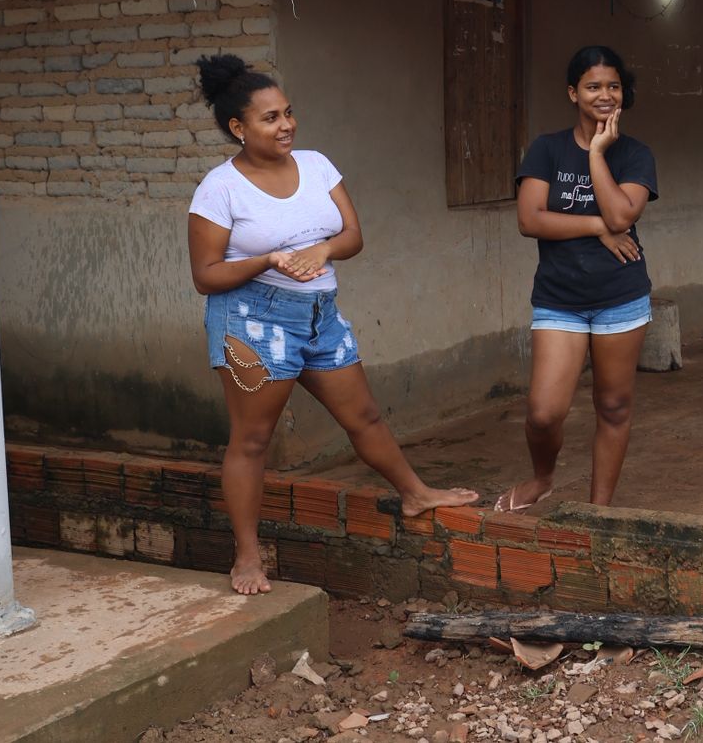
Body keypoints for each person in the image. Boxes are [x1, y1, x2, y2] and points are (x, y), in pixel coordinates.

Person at [187, 54, 478, 595]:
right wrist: (268, 260)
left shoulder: (317, 165)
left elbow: (352, 236)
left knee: (363, 415)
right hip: (253, 319)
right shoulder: (220, 188)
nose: (286, 125)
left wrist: (320, 249)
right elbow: (205, 275)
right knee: (252, 440)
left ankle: (415, 494)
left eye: (288, 113)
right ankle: (247, 556)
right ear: (238, 128)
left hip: (320, 313)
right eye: (270, 118)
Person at [499, 45, 658, 513]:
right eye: (593, 86)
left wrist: (597, 153)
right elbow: (530, 219)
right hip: (560, 299)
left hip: (621, 296)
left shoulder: (635, 154)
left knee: (613, 407)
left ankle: (597, 511)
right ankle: (542, 478)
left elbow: (622, 214)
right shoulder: (547, 149)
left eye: (613, 86)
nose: (605, 95)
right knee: (544, 413)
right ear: (573, 93)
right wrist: (595, 227)